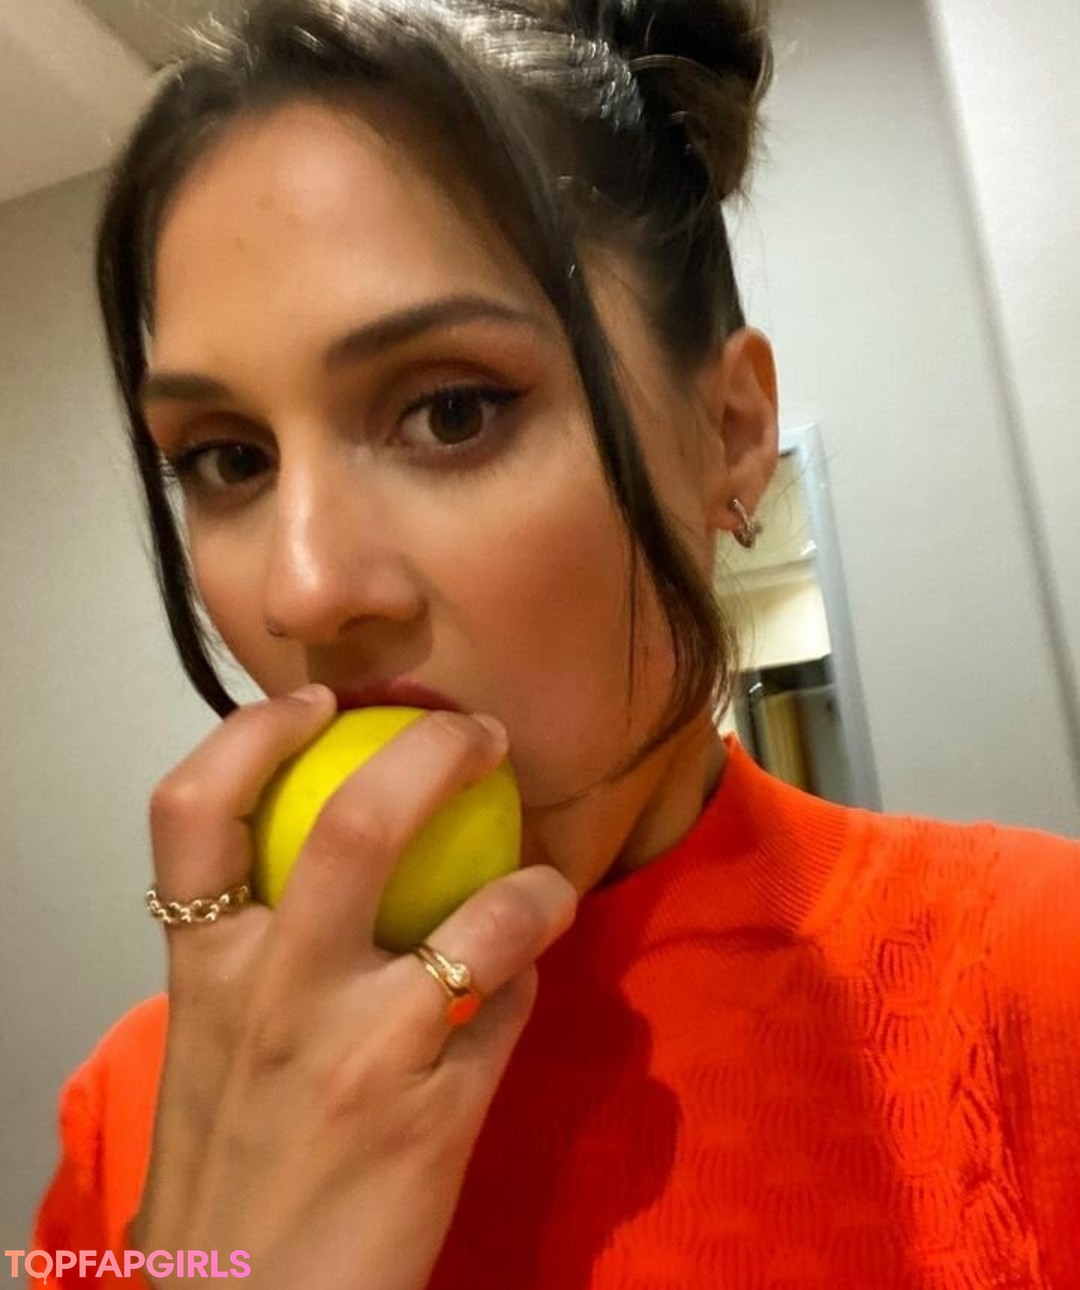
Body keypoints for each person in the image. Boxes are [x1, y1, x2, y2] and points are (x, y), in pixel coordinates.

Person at [28, 0, 1080, 1286]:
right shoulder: (140, 1119)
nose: (304, 591)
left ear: (732, 434)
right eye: (229, 460)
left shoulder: (1041, 988)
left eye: (451, 410)